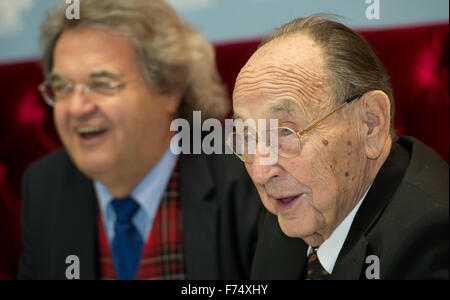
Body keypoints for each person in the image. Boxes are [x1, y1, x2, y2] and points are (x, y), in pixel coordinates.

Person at [19, 0, 261, 280]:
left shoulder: (248, 175)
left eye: (102, 84)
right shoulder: (44, 186)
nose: (76, 108)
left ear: (170, 87)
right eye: (62, 87)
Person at [230, 15, 448, 280]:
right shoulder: (295, 206)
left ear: (370, 124)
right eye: (248, 136)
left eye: (285, 132)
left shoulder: (432, 239)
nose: (262, 172)